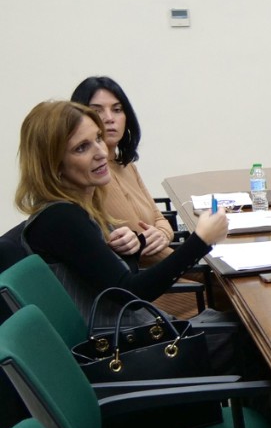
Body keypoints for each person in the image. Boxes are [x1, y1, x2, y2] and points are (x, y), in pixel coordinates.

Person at [15, 101, 228, 326]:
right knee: (244, 330)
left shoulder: (77, 209)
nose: (101, 152)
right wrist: (201, 241)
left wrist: (133, 246)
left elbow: (108, 279)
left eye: (98, 138)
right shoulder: (62, 219)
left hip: (140, 331)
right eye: (82, 147)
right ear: (54, 165)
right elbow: (131, 294)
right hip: (130, 342)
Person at [69, 76, 175, 266]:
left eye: (117, 110)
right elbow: (142, 247)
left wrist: (162, 234)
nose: (109, 118)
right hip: (148, 277)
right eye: (97, 111)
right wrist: (199, 265)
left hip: (167, 268)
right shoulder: (94, 177)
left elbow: (159, 218)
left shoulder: (127, 166)